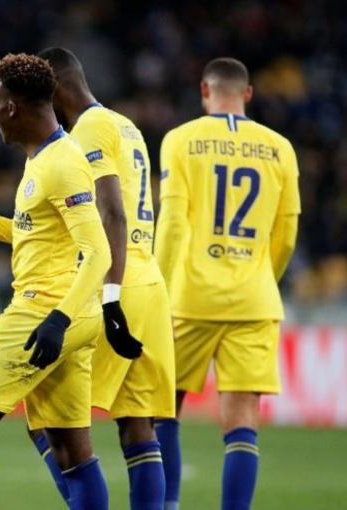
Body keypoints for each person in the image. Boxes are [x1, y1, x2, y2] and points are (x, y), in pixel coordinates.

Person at [0, 53, 113, 510]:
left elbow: (99, 251)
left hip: (44, 312)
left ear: (12, 108)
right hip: (73, 314)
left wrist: (57, 319)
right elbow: (28, 233)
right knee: (71, 451)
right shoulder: (45, 159)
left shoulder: (62, 164)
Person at [31, 46, 174, 510]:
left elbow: (112, 209)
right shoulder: (125, 125)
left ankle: (82, 501)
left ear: (55, 88)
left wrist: (110, 295)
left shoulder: (88, 130)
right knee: (138, 424)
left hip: (116, 282)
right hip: (148, 280)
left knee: (40, 408)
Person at [154, 57, 300, 510]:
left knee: (162, 409)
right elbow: (286, 235)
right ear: (248, 94)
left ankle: (168, 506)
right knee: (242, 424)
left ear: (205, 90)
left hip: (190, 297)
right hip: (255, 300)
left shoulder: (180, 140)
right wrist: (261, 277)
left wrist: (158, 290)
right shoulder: (280, 148)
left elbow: (172, 223)